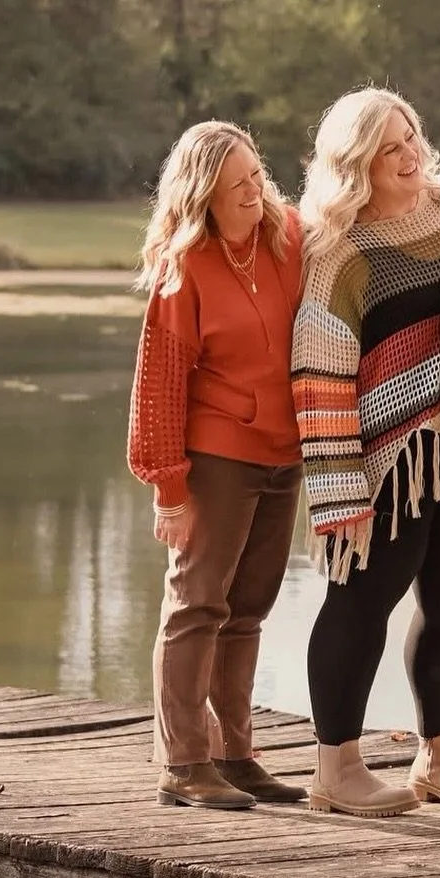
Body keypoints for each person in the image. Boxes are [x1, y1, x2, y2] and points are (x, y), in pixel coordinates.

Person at [295, 89, 440, 817]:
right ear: (356, 164)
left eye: (413, 137)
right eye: (391, 148)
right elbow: (319, 372)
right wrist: (339, 487)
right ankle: (336, 769)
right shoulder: (337, 249)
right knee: (365, 596)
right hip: (384, 460)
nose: (412, 155)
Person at [128, 121, 307, 810]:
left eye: (257, 177)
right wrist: (169, 489)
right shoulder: (186, 269)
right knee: (198, 602)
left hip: (281, 454)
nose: (254, 193)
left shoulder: (286, 239)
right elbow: (160, 387)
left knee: (250, 605)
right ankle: (183, 761)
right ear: (203, 195)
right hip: (216, 456)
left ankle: (235, 752)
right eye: (238, 186)